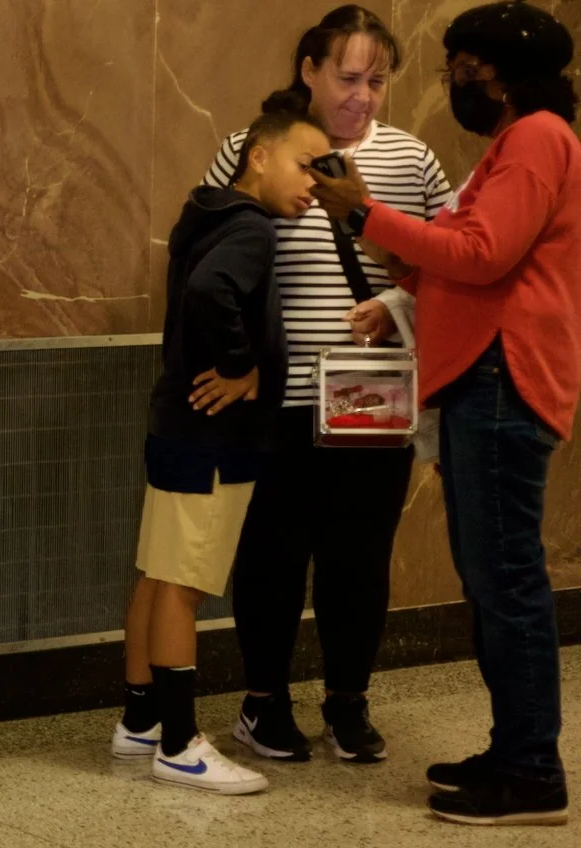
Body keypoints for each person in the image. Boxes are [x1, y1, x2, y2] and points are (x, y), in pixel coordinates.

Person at [119, 4, 453, 767]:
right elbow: (200, 253)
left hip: (373, 400)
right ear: (308, 71)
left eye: (377, 81)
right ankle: (264, 701)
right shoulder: (255, 150)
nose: (362, 96)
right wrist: (240, 362)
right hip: (275, 400)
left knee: (360, 558)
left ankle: (349, 702)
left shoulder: (411, 159)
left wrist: (397, 303)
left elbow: (445, 267)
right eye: (347, 77)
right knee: (269, 554)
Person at [311, 0, 580, 826]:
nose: (452, 82)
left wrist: (364, 214)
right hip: (479, 378)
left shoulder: (537, 138)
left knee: (507, 581)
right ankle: (511, 749)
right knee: (491, 577)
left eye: (462, 68)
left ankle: (533, 772)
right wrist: (402, 279)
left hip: (504, 376)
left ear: (499, 74)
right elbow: (464, 254)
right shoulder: (508, 145)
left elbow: (484, 253)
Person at [112, 101, 331, 795]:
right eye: (304, 165)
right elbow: (213, 292)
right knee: (183, 586)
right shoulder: (252, 229)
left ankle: (140, 719)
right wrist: (243, 365)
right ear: (258, 156)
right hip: (214, 436)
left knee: (156, 573)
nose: (313, 185)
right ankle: (179, 745)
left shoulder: (204, 213)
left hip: (177, 426)